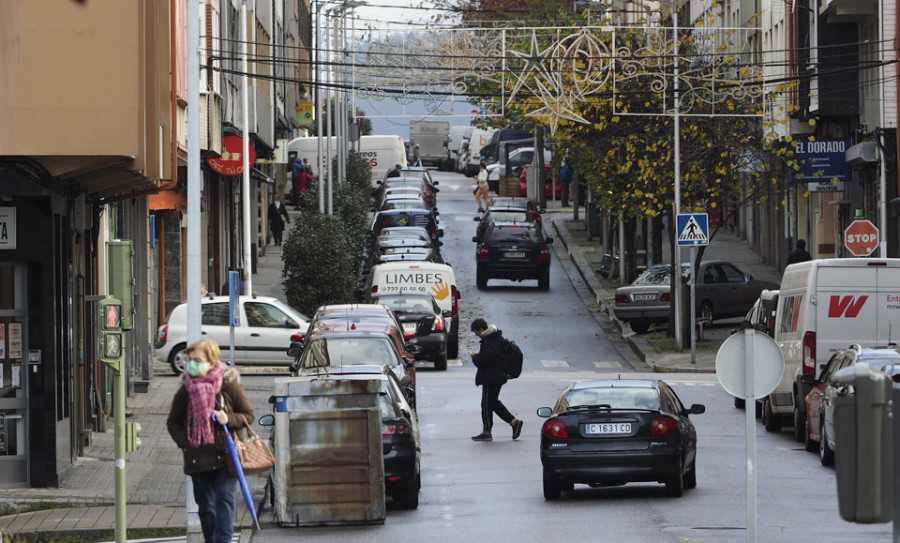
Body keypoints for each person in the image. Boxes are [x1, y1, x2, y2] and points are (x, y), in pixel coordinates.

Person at [167, 339, 255, 543]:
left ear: (212, 360)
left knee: (224, 499)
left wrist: (228, 418)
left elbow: (248, 415)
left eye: (198, 359)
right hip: (198, 459)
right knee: (206, 509)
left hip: (226, 456)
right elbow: (173, 422)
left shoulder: (229, 386)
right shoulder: (185, 390)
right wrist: (187, 443)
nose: (193, 364)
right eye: (191, 360)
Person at [468, 318, 523, 442]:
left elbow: (485, 361)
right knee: (493, 402)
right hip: (498, 376)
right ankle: (514, 422)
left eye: (476, 332)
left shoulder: (490, 341)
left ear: (481, 329)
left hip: (491, 377)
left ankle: (487, 431)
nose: (476, 335)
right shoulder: (496, 338)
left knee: (486, 404)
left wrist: (475, 357)